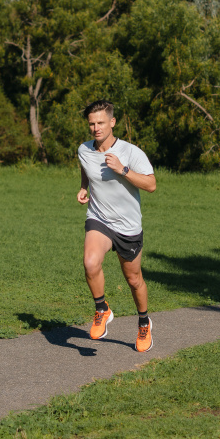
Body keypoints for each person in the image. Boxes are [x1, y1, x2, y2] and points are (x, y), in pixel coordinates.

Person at [77, 99, 157, 352]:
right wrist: (84, 186)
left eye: (101, 123)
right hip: (99, 218)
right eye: (92, 123)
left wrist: (122, 169)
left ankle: (144, 323)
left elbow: (151, 185)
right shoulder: (84, 150)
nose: (96, 128)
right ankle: (102, 308)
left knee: (133, 279)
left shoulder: (130, 152)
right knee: (90, 262)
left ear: (112, 122)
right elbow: (85, 167)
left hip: (128, 226)